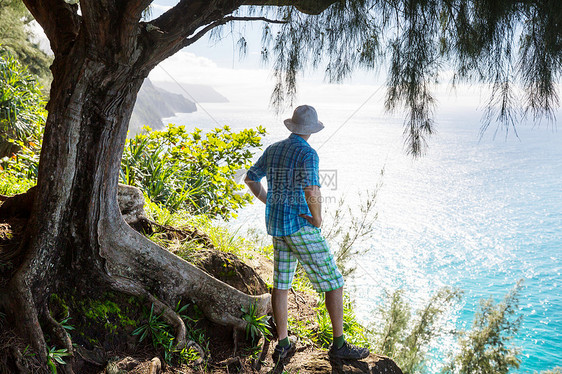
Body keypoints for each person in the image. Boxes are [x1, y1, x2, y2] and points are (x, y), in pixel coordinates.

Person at [244, 105, 370, 363]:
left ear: (292, 126)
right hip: (300, 227)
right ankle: (339, 346)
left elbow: (250, 178)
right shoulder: (307, 153)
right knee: (334, 282)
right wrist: (318, 218)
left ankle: (283, 344)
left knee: (281, 284)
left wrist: (269, 201)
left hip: (278, 228)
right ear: (311, 130)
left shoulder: (273, 149)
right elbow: (311, 189)